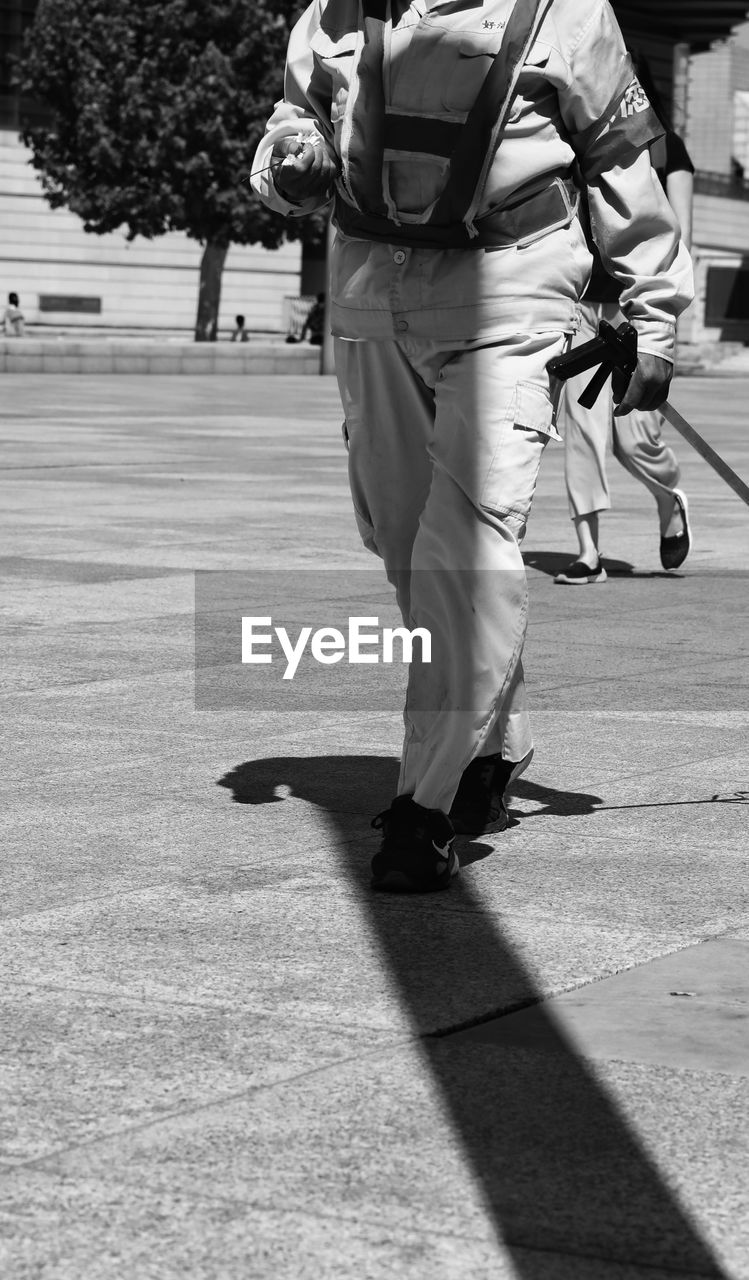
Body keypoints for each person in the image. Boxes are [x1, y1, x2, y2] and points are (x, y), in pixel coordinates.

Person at [251, 0, 693, 893]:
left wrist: (654, 320)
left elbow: (620, 163)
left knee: (468, 546)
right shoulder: (332, 11)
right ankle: (502, 745)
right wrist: (287, 162)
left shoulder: (567, 11)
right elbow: (295, 120)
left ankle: (426, 804)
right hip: (373, 295)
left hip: (512, 291)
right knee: (407, 548)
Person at [555, 54, 695, 583]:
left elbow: (679, 235)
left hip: (634, 308)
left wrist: (666, 320)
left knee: (635, 438)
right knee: (583, 431)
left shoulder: (668, 151)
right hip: (581, 301)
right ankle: (588, 553)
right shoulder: (571, 143)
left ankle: (669, 497)